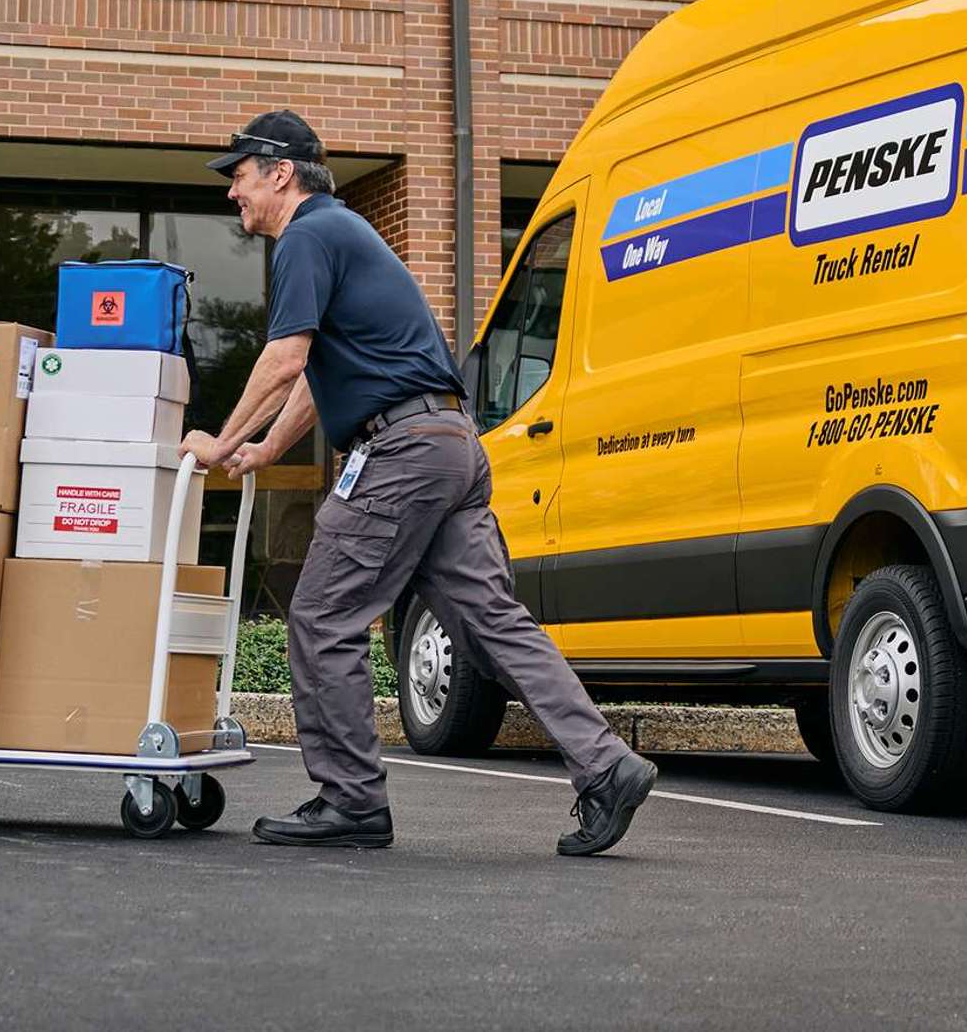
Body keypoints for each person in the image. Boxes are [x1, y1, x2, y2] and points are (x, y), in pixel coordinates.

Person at [182, 110, 659, 856]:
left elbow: (283, 357)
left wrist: (219, 442)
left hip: (401, 454)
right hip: (448, 444)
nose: (232, 193)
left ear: (280, 173)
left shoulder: (307, 235)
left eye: (239, 175)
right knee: (494, 622)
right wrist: (270, 444)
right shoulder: (341, 233)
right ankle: (608, 765)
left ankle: (351, 802)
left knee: (321, 616)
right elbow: (315, 371)